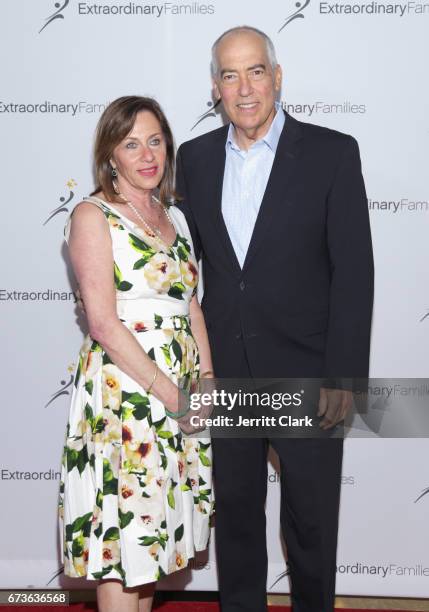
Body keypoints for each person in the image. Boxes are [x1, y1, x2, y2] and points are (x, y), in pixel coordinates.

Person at [176, 26, 374, 611]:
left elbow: (354, 273)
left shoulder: (333, 153)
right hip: (230, 373)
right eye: (230, 75)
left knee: (310, 524)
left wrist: (343, 376)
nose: (244, 88)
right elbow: (188, 269)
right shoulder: (195, 158)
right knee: (236, 518)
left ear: (278, 76)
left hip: (308, 373)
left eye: (255, 71)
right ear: (215, 88)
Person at [58, 96, 214, 612]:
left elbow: (190, 304)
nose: (147, 154)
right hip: (127, 399)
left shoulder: (174, 218)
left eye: (155, 140)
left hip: (180, 398)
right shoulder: (92, 214)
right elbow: (102, 321)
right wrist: (171, 394)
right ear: (111, 155)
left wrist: (205, 381)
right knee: (124, 548)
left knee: (147, 549)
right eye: (131, 144)